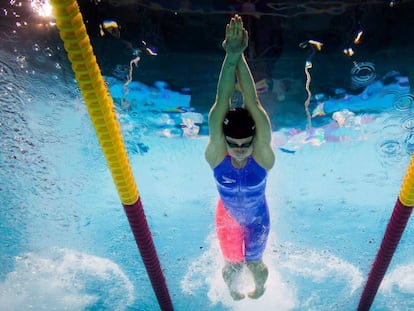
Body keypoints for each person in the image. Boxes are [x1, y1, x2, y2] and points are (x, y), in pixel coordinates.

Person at [205, 15, 275, 300]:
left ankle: (259, 288)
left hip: (258, 217)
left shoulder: (263, 157)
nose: (239, 149)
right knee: (232, 267)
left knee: (255, 265)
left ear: (254, 141)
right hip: (229, 217)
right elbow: (221, 102)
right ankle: (234, 292)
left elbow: (253, 101)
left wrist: (239, 55)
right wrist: (230, 56)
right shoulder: (216, 154)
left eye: (245, 143)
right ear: (224, 141)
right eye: (233, 143)